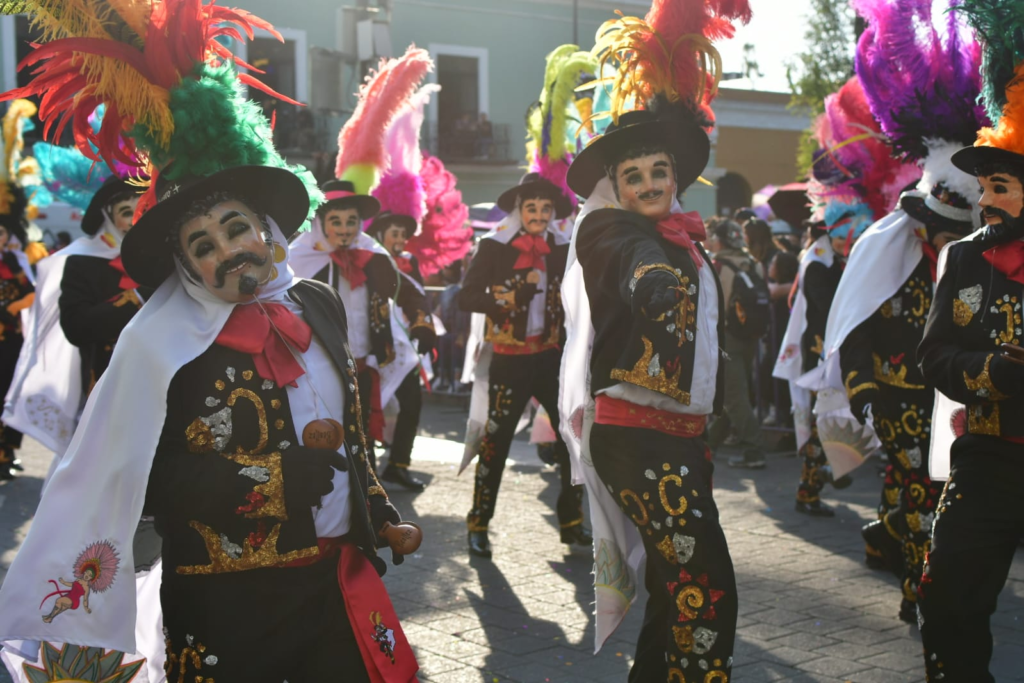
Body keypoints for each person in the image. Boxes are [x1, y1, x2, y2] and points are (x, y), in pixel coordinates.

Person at [0, 4, 419, 680]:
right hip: (228, 603)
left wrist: (379, 512)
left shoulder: (315, 301)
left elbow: (347, 434)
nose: (227, 252)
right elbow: (148, 481)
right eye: (203, 245)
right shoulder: (157, 345)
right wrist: (277, 480)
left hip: (335, 580)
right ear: (184, 266)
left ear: (266, 228)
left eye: (236, 229)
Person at [558, 0, 750, 678]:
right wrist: (652, 284)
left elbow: (705, 338)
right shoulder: (609, 231)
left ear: (675, 176)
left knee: (676, 591)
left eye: (656, 173)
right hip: (634, 434)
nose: (644, 184)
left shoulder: (688, 241)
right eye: (631, 175)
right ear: (615, 184)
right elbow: (631, 266)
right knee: (708, 588)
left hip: (680, 436)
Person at [812, 2, 988, 624]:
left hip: (957, 403)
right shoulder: (885, 258)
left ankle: (907, 559)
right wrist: (862, 388)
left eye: (949, 232)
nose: (938, 240)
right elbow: (855, 322)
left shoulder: (973, 266)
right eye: (931, 228)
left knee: (941, 496)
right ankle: (920, 587)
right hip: (897, 398)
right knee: (918, 492)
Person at [915, 2, 1024, 678]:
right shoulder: (962, 259)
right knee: (947, 595)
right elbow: (934, 356)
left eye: (1002, 186)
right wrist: (990, 371)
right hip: (987, 457)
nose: (987, 199)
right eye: (983, 185)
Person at [459, 172, 589, 559]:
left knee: (571, 439)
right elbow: (467, 297)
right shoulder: (495, 246)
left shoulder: (564, 247)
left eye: (545, 208)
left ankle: (571, 522)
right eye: (531, 207)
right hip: (509, 360)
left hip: (550, 357)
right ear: (520, 210)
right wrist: (511, 295)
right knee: (496, 444)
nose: (539, 214)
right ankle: (478, 525)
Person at [290, 180, 418, 474]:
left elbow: (404, 291)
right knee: (322, 431)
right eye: (337, 222)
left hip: (362, 363)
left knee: (363, 436)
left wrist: (421, 321)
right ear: (321, 223)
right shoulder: (299, 257)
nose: (345, 229)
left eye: (351, 222)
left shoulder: (373, 254)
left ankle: (369, 502)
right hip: (318, 366)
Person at [366, 210, 437, 491]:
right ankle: (367, 470)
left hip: (403, 347)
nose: (400, 239)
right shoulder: (368, 259)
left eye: (403, 234)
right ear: (380, 235)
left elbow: (417, 297)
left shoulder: (409, 262)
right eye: (394, 233)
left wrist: (423, 323)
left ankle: (399, 465)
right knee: (370, 406)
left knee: (412, 404)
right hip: (372, 344)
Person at [59, 177, 151, 394]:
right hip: (110, 382)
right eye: (127, 212)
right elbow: (76, 327)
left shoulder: (167, 259)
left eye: (144, 210)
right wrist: (138, 297)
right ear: (109, 219)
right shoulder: (82, 263)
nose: (136, 219)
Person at [704, 217, 768, 468]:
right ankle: (710, 444)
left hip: (726, 337)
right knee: (734, 393)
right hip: (750, 336)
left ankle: (754, 450)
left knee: (733, 395)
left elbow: (712, 306)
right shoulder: (752, 263)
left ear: (719, 240)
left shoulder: (717, 265)